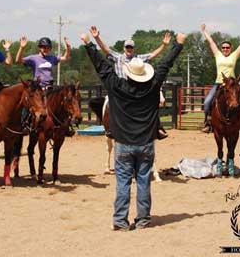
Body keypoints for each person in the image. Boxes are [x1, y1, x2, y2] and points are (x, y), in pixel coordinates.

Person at [80, 30, 186, 231]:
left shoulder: (117, 86)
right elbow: (164, 65)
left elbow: (102, 67)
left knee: (122, 183)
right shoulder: (154, 86)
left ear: (127, 73)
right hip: (146, 144)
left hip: (123, 144)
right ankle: (143, 219)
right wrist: (178, 45)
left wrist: (88, 44)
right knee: (144, 182)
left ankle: (120, 221)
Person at [89, 25, 171, 139]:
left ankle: (157, 127)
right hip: (119, 89)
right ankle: (110, 127)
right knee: (110, 103)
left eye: (131, 47)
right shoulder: (118, 57)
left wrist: (164, 45)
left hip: (135, 89)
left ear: (133, 48)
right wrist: (97, 38)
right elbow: (105, 49)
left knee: (150, 104)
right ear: (124, 48)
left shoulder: (138, 58)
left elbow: (153, 55)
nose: (129, 49)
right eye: (127, 47)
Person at [200, 24, 240, 133]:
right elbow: (211, 42)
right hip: (219, 84)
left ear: (230, 48)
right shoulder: (217, 55)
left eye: (227, 47)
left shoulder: (234, 55)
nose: (225, 49)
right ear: (221, 49)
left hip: (232, 85)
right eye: (223, 47)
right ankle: (207, 123)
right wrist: (204, 32)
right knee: (207, 101)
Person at [15, 36, 73, 135]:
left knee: (64, 100)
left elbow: (65, 57)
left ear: (50, 48)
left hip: (50, 87)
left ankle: (65, 126)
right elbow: (18, 60)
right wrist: (21, 47)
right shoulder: (34, 58)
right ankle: (24, 124)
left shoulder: (52, 58)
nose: (45, 49)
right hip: (38, 87)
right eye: (43, 47)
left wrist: (68, 47)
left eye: (47, 47)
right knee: (28, 103)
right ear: (39, 48)